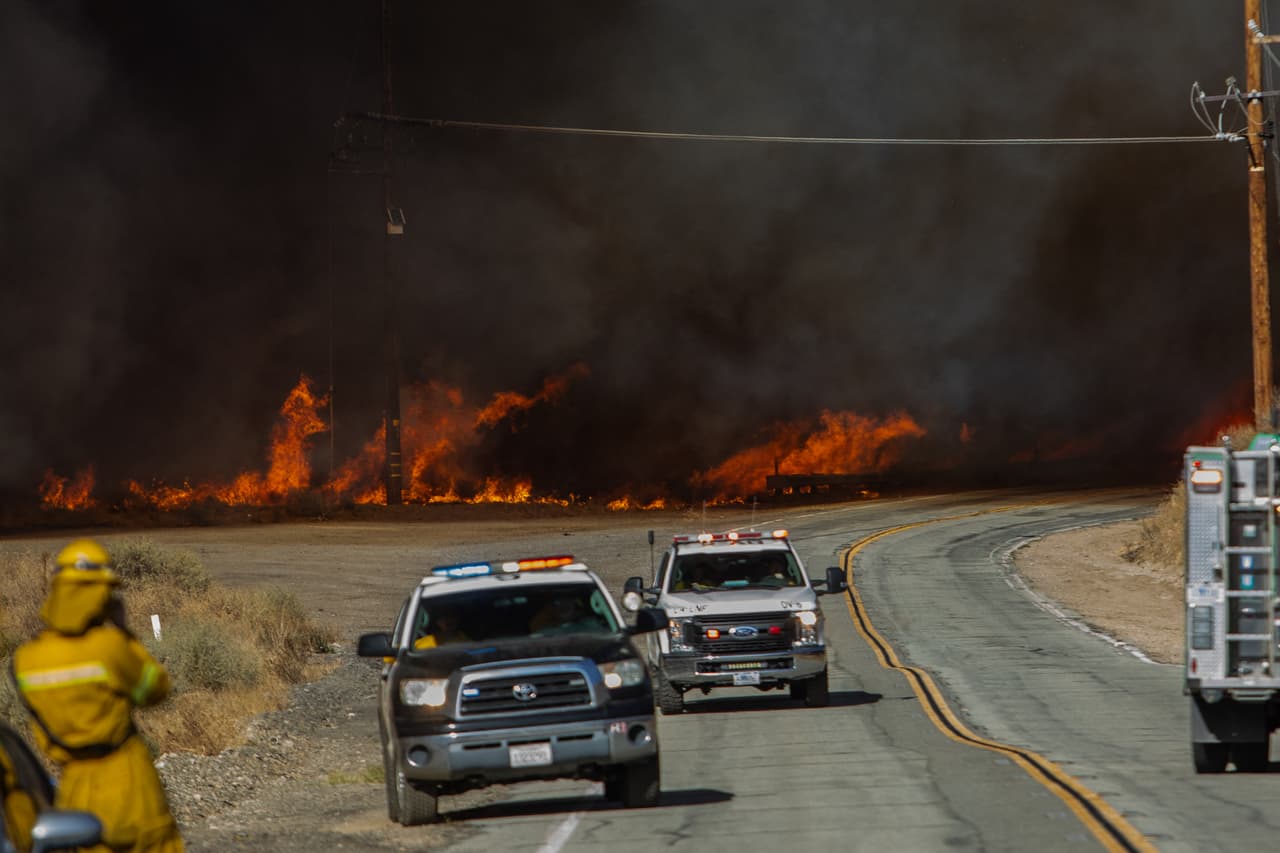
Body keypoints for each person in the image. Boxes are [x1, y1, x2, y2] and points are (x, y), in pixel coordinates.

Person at [10, 539, 183, 853]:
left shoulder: (26, 660)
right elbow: (156, 689)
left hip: (73, 791)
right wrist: (124, 632)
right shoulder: (108, 648)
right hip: (128, 781)